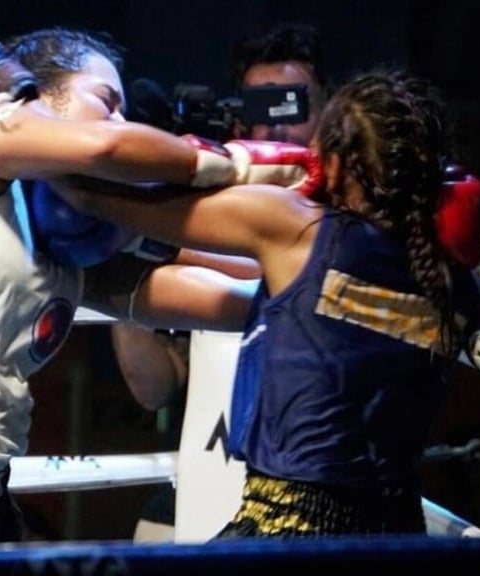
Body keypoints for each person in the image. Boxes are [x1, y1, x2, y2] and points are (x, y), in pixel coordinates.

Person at [0, 27, 321, 547]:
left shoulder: (70, 238)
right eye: (105, 99)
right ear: (40, 96)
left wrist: (320, 268)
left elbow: (226, 294)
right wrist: (242, 163)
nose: (119, 120)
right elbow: (105, 146)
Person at [48, 66, 480, 537]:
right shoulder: (457, 281)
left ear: (334, 162)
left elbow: (118, 203)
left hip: (293, 525)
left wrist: (41, 155)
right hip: (397, 532)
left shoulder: (298, 229)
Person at [113, 22, 332, 542]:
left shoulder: (352, 214)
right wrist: (122, 273)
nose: (276, 126)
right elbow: (154, 388)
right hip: (211, 480)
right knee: (151, 530)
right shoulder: (209, 213)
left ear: (328, 112)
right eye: (262, 107)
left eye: (291, 104)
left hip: (309, 488)